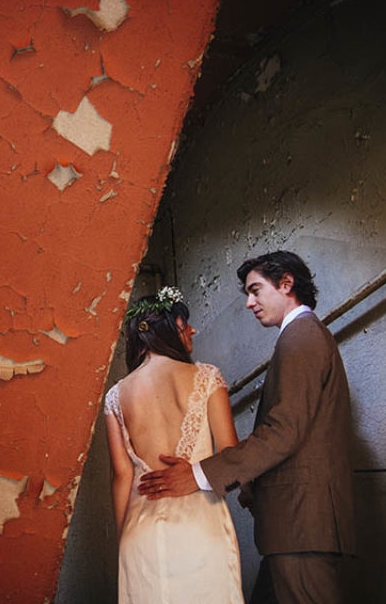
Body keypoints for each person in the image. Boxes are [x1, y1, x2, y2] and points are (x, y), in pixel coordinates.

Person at [137, 251, 355, 603]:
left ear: (286, 283)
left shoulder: (301, 336)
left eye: (255, 290)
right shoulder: (301, 336)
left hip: (301, 523)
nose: (249, 303)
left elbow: (284, 431)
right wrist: (252, 485)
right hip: (292, 522)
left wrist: (197, 475)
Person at [105, 286, 244, 603]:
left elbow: (122, 476)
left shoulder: (115, 396)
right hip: (199, 524)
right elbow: (231, 458)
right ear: (166, 330)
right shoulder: (207, 376)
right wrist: (197, 473)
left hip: (139, 534)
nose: (192, 330)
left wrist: (124, 536)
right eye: (184, 324)